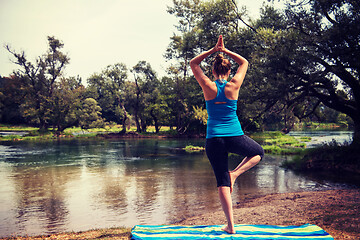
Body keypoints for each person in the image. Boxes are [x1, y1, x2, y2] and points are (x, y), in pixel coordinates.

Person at [189, 35, 264, 234]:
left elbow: (193, 63)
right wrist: (225, 50)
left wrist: (213, 50)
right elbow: (245, 62)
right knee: (258, 153)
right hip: (235, 136)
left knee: (222, 182)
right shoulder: (234, 85)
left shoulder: (207, 85)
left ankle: (231, 226)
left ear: (213, 70)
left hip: (214, 139)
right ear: (229, 70)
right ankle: (235, 174)